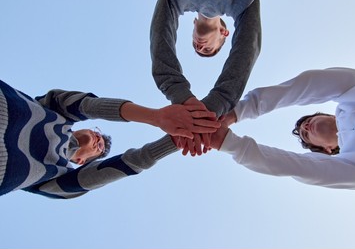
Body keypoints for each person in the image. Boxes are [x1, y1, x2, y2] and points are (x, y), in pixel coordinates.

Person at [0, 79, 220, 198]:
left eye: (100, 147)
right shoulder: (55, 111)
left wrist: (180, 138)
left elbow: (131, 162)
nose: (98, 138)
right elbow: (90, 106)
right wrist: (156, 117)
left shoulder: (54, 180)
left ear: (81, 162)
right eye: (98, 134)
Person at [208, 59, 355, 190]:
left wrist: (237, 112)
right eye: (306, 135)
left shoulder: (352, 95)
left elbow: (308, 85)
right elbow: (300, 168)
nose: (305, 127)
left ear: (329, 115)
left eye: (308, 121)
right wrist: (228, 143)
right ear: (326, 150)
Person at [150, 0, 262, 118]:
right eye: (208, 49)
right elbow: (248, 44)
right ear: (224, 32)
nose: (199, 47)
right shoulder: (240, 1)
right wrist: (219, 100)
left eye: (195, 46)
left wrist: (178, 92)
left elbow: (159, 34)